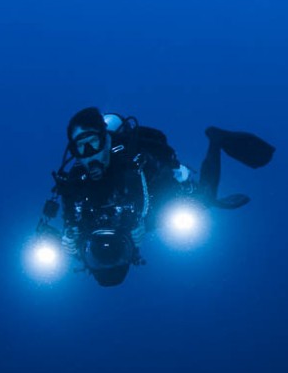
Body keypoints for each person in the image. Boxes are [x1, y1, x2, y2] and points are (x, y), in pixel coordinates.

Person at [44, 107, 274, 286]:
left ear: (105, 140)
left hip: (152, 198)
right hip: (141, 219)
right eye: (79, 148)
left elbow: (165, 185)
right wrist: (70, 239)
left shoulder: (135, 164)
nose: (86, 156)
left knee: (204, 199)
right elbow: (71, 219)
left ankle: (217, 139)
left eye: (92, 143)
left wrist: (158, 207)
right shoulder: (75, 181)